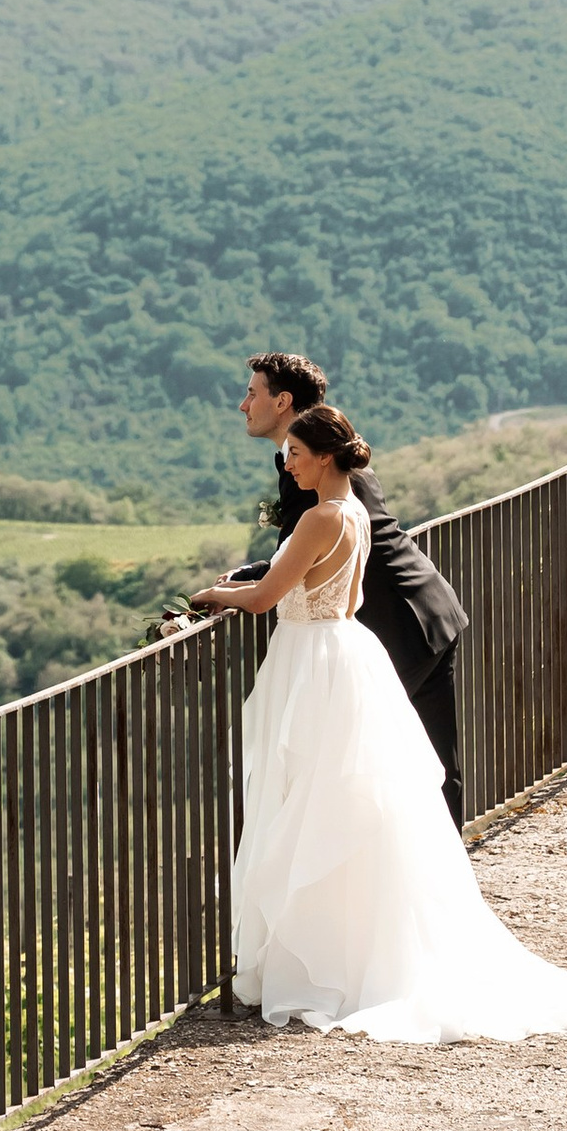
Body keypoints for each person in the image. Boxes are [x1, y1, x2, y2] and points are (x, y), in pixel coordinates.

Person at [191, 404, 567, 1041]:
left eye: (295, 454)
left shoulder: (318, 517)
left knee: (307, 802)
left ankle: (317, 959)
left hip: (310, 662)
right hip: (344, 651)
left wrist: (214, 595)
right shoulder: (353, 512)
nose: (287, 463)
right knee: (337, 804)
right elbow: (349, 597)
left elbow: (267, 595)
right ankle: (340, 954)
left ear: (323, 457)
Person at [203, 351, 469, 823]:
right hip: (422, 609)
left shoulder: (316, 467)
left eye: (251, 393)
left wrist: (232, 587)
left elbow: (310, 548)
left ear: (282, 401)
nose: (243, 405)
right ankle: (439, 863)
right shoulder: (326, 450)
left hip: (394, 623)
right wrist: (251, 572)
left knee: (377, 768)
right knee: (426, 765)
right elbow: (307, 548)